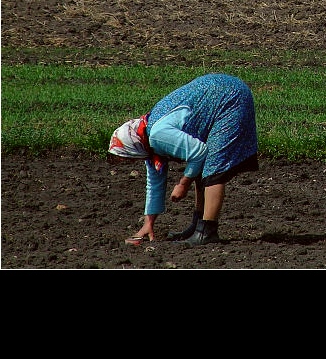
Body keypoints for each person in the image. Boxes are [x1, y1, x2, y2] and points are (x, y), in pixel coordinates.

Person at [108, 72, 259, 245]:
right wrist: (148, 223)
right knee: (201, 169)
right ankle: (197, 226)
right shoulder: (146, 135)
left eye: (129, 158)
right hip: (220, 92)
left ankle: (206, 232)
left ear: (133, 149)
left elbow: (199, 152)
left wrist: (183, 184)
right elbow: (154, 183)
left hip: (230, 97)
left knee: (213, 169)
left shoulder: (158, 135)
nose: (132, 162)